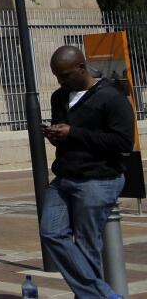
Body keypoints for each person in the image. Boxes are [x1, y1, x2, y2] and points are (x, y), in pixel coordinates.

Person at [40, 46, 134, 299]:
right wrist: (56, 136)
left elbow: (123, 142)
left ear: (81, 67)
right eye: (57, 76)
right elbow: (67, 136)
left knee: (86, 245)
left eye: (65, 75)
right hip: (65, 177)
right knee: (51, 232)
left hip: (99, 178)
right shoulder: (59, 97)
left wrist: (73, 133)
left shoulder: (111, 97)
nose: (61, 81)